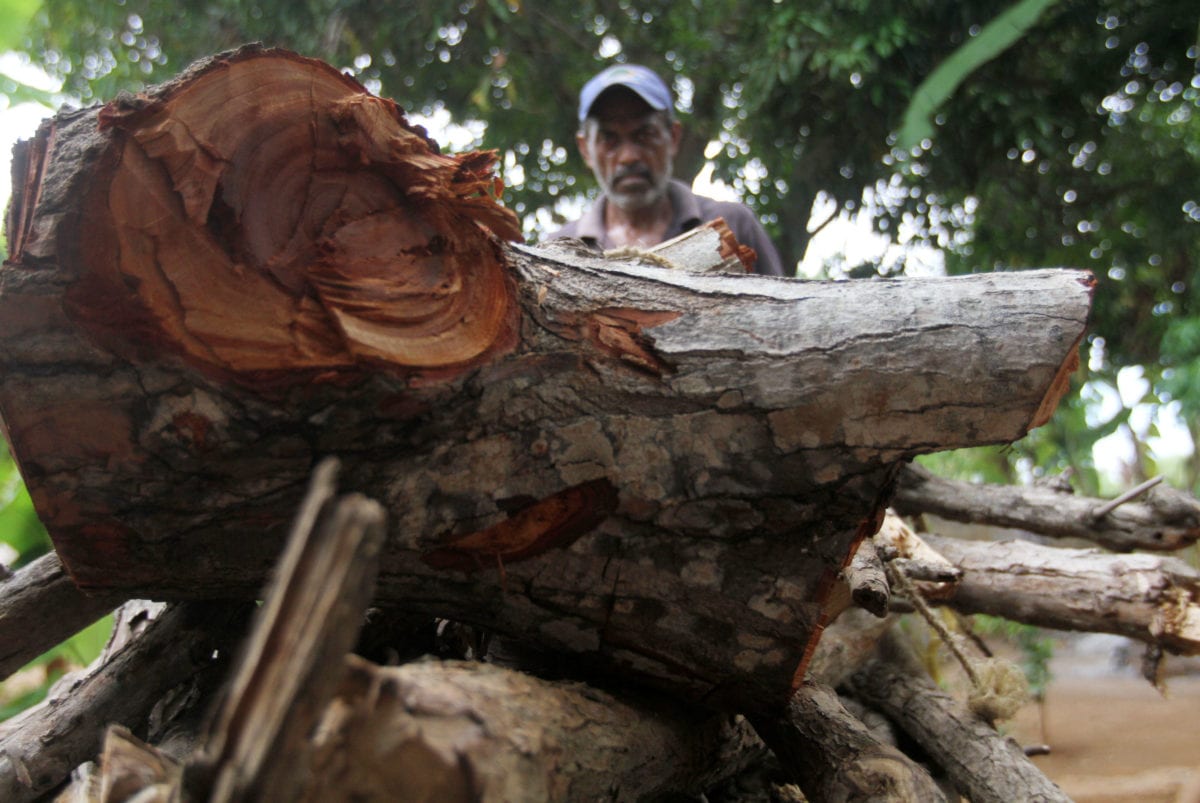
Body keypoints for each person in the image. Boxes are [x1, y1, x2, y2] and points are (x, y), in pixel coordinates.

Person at [548, 64, 787, 277]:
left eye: (645, 136)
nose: (629, 156)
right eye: (609, 140)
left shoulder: (732, 227)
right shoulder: (557, 254)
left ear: (673, 137)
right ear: (585, 150)